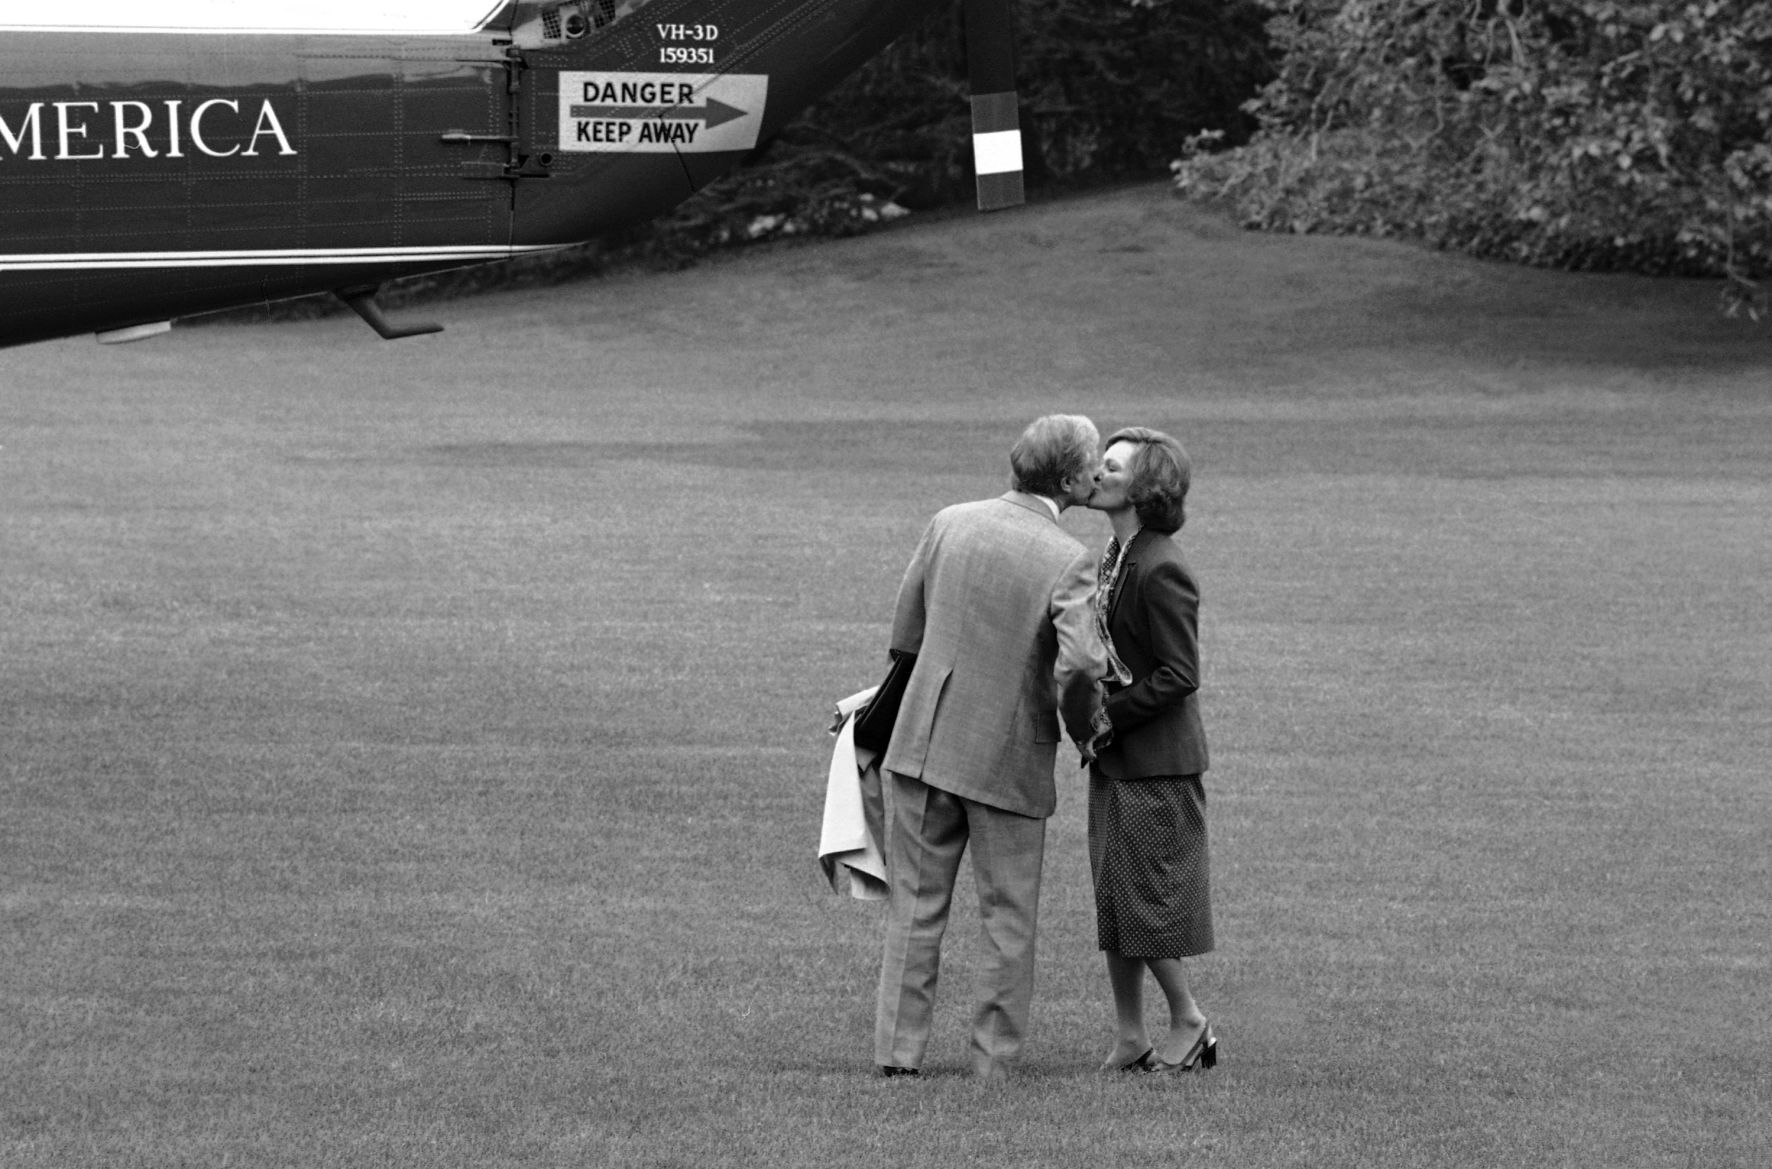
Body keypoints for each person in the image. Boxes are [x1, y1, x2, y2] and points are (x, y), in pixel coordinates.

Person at [874, 414, 1110, 1081]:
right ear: (1066, 479)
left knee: (915, 908)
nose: (1098, 474)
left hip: (922, 739)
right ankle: (991, 1060)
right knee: (1007, 916)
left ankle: (897, 1054)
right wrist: (1088, 732)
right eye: (1093, 464)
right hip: (1006, 753)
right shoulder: (1068, 558)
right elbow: (1082, 667)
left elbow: (906, 634)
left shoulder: (949, 519)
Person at [1085, 426, 1217, 1075]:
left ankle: (1189, 1020)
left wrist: (1106, 715)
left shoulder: (1162, 564)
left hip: (1156, 763)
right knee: (1114, 898)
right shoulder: (1116, 553)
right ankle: (1131, 1032)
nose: (1095, 472)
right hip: (1118, 759)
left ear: (1143, 486)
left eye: (1110, 466)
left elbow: (1179, 673)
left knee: (1145, 900)